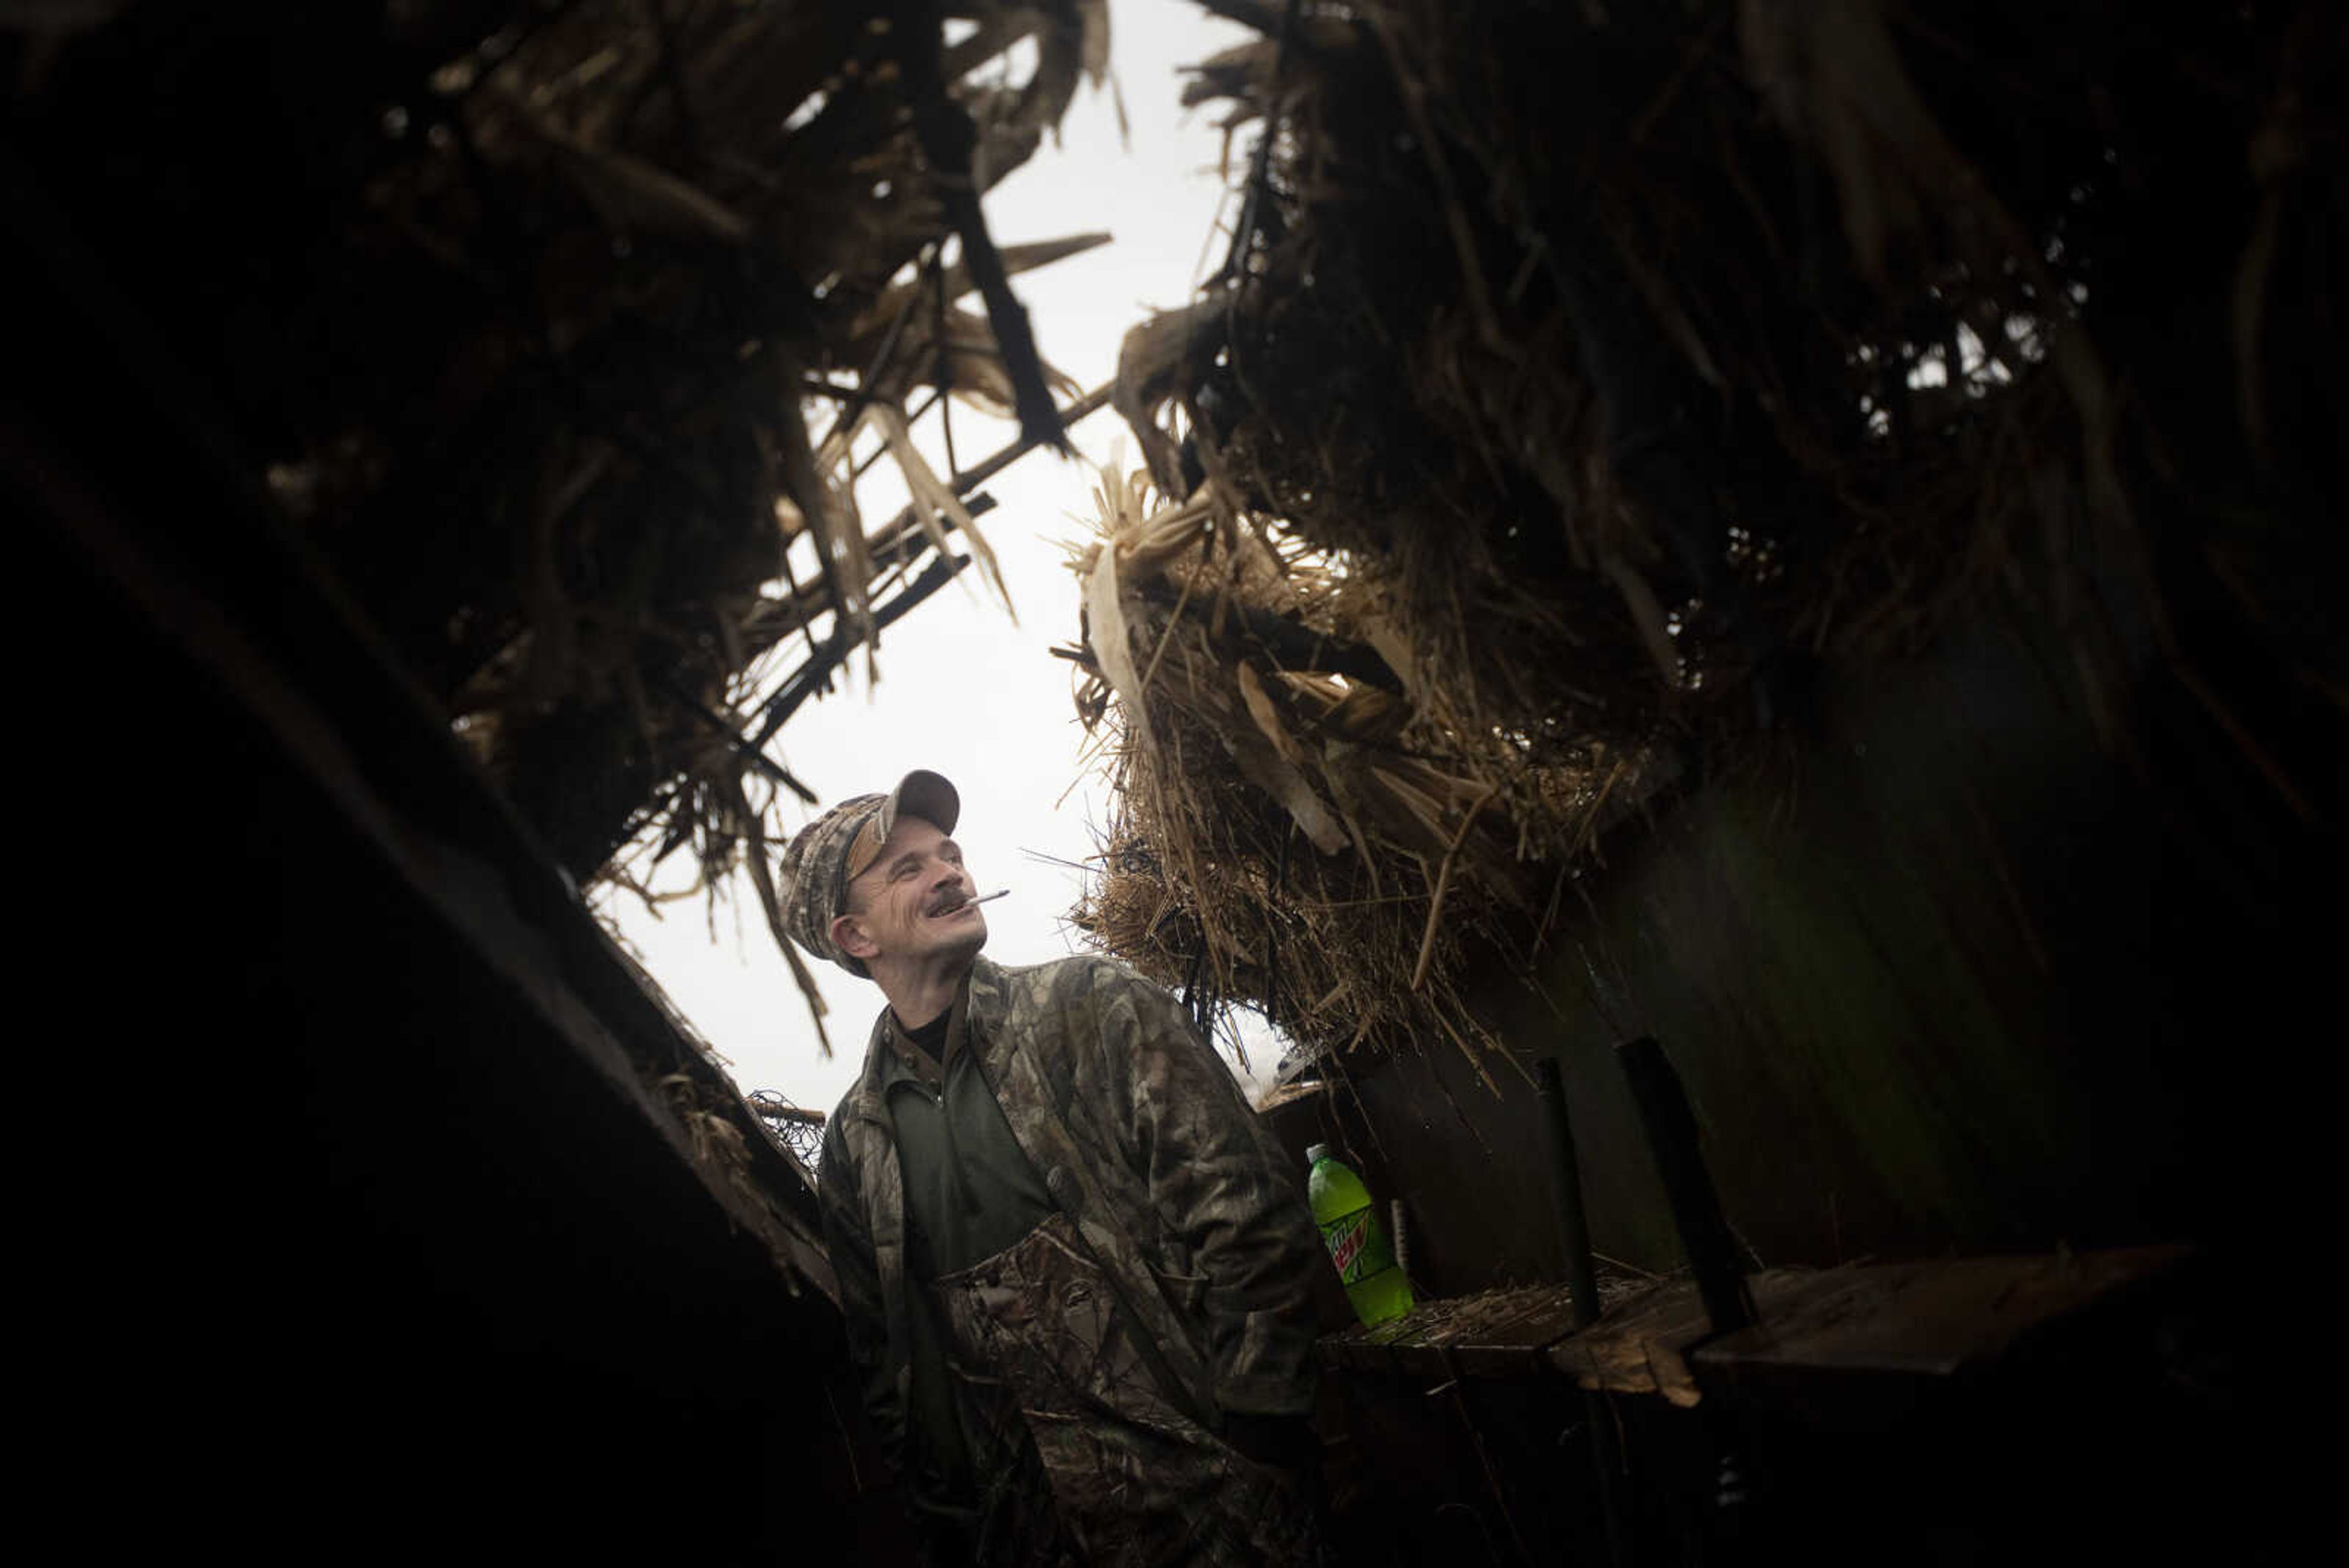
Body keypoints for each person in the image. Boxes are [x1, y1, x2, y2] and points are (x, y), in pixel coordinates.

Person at [781, 769, 1326, 1566]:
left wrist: (1260, 1435)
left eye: (949, 855)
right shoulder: (856, 1145)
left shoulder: (1090, 1008)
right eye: (908, 870)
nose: (949, 874)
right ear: (854, 938)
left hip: (1218, 1504)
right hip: (1037, 1542)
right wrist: (954, 1522)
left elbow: (1245, 1211)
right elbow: (887, 1369)